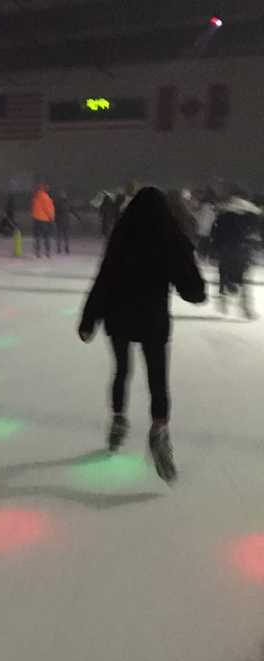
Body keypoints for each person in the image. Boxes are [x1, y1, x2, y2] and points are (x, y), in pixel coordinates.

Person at [78, 187, 206, 483]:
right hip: (153, 320)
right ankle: (159, 428)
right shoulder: (169, 236)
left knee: (122, 371)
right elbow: (192, 285)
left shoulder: (121, 236)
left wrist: (89, 320)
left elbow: (104, 279)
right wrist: (194, 287)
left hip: (118, 318)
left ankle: (119, 421)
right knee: (157, 378)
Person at [211, 187, 261, 319]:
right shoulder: (251, 215)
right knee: (244, 278)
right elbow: (257, 232)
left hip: (226, 249)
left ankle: (223, 299)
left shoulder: (224, 214)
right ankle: (245, 307)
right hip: (244, 249)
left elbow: (216, 233)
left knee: (224, 273)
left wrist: (215, 248)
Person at [31, 182, 55, 257]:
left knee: (38, 236)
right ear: (45, 189)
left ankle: (38, 252)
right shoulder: (46, 197)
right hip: (45, 220)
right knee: (46, 236)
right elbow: (48, 209)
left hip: (36, 219)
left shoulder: (35, 197)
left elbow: (33, 209)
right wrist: (51, 218)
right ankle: (47, 252)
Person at [54, 190, 78, 254]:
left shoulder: (57, 203)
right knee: (65, 236)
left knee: (59, 235)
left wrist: (54, 219)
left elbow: (54, 212)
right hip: (66, 221)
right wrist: (78, 217)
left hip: (60, 222)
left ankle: (60, 248)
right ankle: (66, 248)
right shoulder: (68, 203)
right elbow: (73, 211)